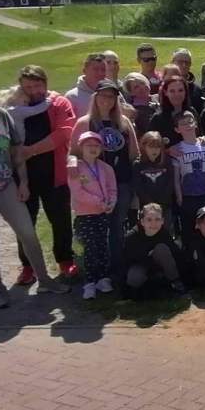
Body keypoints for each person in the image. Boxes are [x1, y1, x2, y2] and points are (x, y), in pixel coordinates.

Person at [0, 76, 69, 307]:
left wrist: (23, 182)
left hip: (6, 183)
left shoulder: (1, 115)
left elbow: (17, 151)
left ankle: (44, 279)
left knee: (27, 232)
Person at [1, 65, 77, 284]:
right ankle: (28, 267)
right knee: (24, 223)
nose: (34, 91)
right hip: (23, 176)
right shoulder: (14, 105)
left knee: (61, 220)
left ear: (45, 83)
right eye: (28, 87)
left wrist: (31, 150)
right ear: (21, 87)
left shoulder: (59, 103)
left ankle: (65, 260)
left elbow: (64, 133)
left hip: (55, 173)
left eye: (37, 85)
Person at [70, 80, 139, 271]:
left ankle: (115, 268)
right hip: (95, 186)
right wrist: (73, 166)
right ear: (95, 96)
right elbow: (73, 154)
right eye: (103, 95)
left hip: (122, 182)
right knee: (97, 229)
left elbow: (134, 154)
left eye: (111, 96)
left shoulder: (123, 123)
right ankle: (96, 269)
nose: (107, 100)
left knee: (117, 226)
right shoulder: (85, 123)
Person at [67, 131, 117, 299]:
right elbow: (77, 192)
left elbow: (112, 188)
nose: (93, 148)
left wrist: (111, 202)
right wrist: (98, 201)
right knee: (90, 248)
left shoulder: (106, 168)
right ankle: (89, 283)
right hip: (85, 214)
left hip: (102, 213)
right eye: (89, 145)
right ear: (81, 147)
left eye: (96, 146)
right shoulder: (75, 168)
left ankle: (103, 279)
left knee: (102, 245)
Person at [122, 203, 186, 297]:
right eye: (149, 220)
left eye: (157, 219)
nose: (153, 223)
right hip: (141, 265)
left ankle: (175, 282)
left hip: (159, 266)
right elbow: (129, 260)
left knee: (162, 248)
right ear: (142, 221)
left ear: (162, 221)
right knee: (134, 278)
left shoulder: (164, 234)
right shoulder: (131, 237)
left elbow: (175, 252)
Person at [132, 130, 175, 234]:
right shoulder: (138, 164)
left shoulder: (167, 162)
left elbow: (170, 183)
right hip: (146, 207)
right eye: (151, 146)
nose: (154, 150)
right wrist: (150, 204)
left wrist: (161, 204)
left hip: (165, 205)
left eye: (157, 147)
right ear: (144, 147)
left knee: (166, 233)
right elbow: (138, 187)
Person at [149, 74, 190, 148]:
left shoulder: (192, 112)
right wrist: (167, 151)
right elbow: (149, 146)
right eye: (172, 91)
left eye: (180, 90)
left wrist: (202, 139)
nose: (177, 94)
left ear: (185, 92)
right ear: (165, 93)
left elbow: (199, 136)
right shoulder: (158, 119)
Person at [65, 52, 108, 118]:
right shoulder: (72, 97)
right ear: (84, 71)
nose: (100, 73)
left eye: (103, 70)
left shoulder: (112, 93)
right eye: (95, 69)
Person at [171, 48, 204, 114]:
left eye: (187, 62)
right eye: (180, 62)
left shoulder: (197, 90)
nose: (184, 65)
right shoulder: (164, 86)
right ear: (172, 63)